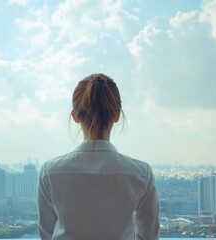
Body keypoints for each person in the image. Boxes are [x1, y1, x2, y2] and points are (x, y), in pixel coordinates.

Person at [38, 73, 160, 240]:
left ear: (74, 116)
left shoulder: (50, 172)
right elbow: (149, 236)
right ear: (116, 115)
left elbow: (46, 234)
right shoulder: (141, 173)